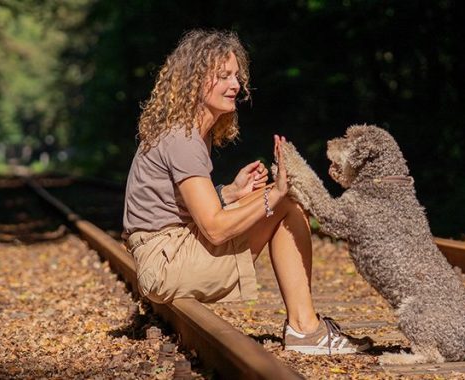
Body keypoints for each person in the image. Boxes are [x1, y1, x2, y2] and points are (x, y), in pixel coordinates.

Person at [122, 29, 371, 355]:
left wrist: (231, 193)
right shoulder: (183, 139)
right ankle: (305, 329)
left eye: (237, 75)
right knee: (286, 202)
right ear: (195, 81)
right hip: (166, 264)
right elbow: (213, 228)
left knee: (284, 200)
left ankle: (304, 326)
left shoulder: (186, 131)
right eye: (223, 76)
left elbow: (179, 207)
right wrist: (276, 194)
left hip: (165, 253)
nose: (236, 85)